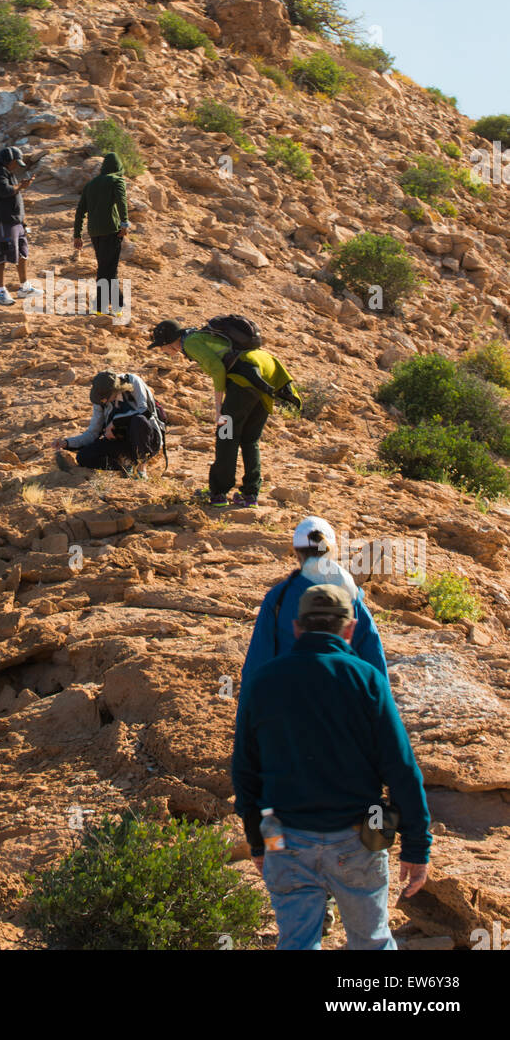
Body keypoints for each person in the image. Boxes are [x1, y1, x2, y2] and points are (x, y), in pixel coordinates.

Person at [232, 583, 431, 951]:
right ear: (350, 629)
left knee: (296, 944)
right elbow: (402, 769)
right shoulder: (367, 679)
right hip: (361, 835)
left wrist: (257, 842)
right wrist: (416, 846)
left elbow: (245, 770)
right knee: (372, 941)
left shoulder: (263, 682)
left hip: (283, 836)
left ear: (297, 627)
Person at [147, 318, 300, 508]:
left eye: (161, 346)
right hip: (266, 371)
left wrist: (219, 408)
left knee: (226, 435)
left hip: (248, 376)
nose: (162, 351)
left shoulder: (191, 342)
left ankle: (218, 493)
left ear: (169, 342)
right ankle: (250, 494)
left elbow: (218, 369)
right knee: (250, 439)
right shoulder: (200, 335)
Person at [240, 515, 389, 687]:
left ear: (296, 553)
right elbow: (373, 657)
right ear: (332, 551)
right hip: (341, 693)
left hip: (288, 693)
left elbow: (257, 662)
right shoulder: (350, 595)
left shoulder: (279, 597)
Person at [53, 371, 165, 476]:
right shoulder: (99, 400)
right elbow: (92, 433)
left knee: (138, 420)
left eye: (105, 398)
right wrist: (67, 443)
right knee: (84, 456)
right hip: (122, 442)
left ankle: (140, 470)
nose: (102, 401)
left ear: (115, 390)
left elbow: (146, 412)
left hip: (148, 440)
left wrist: (115, 422)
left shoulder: (133, 381)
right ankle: (126, 467)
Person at [0, 146, 41, 305]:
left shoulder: (6, 171)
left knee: (22, 253)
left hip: (16, 221)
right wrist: (21, 186)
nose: (16, 166)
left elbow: (12, 192)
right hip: (4, 221)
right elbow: (5, 191)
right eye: (15, 163)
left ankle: (24, 287)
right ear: (8, 160)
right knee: (1, 254)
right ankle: (1, 293)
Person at [73, 153, 130, 315]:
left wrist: (77, 234)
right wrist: (124, 223)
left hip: (94, 232)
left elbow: (80, 211)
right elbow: (122, 201)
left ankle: (103, 307)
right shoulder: (117, 180)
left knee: (105, 268)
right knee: (109, 269)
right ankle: (111, 307)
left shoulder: (90, 184)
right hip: (112, 230)